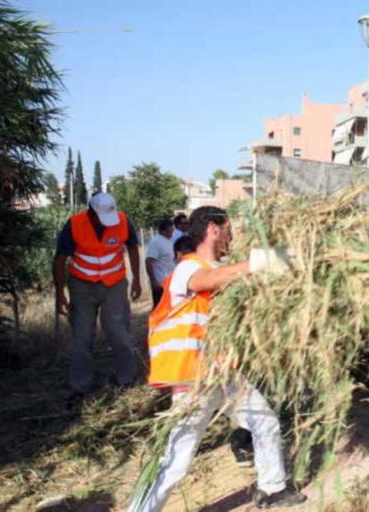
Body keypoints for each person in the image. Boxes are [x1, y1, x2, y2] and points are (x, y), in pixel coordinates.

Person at [129, 206, 305, 512]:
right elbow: (206, 280)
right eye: (227, 230)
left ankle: (272, 488)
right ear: (212, 229)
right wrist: (259, 261)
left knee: (265, 422)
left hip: (222, 372)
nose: (230, 236)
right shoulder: (188, 267)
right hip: (192, 379)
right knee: (177, 459)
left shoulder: (220, 267)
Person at [53, 192, 142, 399]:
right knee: (82, 336)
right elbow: (59, 259)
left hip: (114, 284)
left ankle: (125, 379)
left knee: (118, 332)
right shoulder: (74, 224)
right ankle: (81, 385)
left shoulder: (122, 220)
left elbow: (133, 248)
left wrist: (137, 278)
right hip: (82, 285)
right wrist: (60, 292)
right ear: (91, 213)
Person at [145, 219, 176, 308]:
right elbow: (148, 261)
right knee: (160, 308)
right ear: (163, 231)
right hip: (160, 282)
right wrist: (153, 281)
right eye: (170, 231)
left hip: (170, 281)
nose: (172, 233)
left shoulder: (169, 240)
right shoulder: (156, 242)